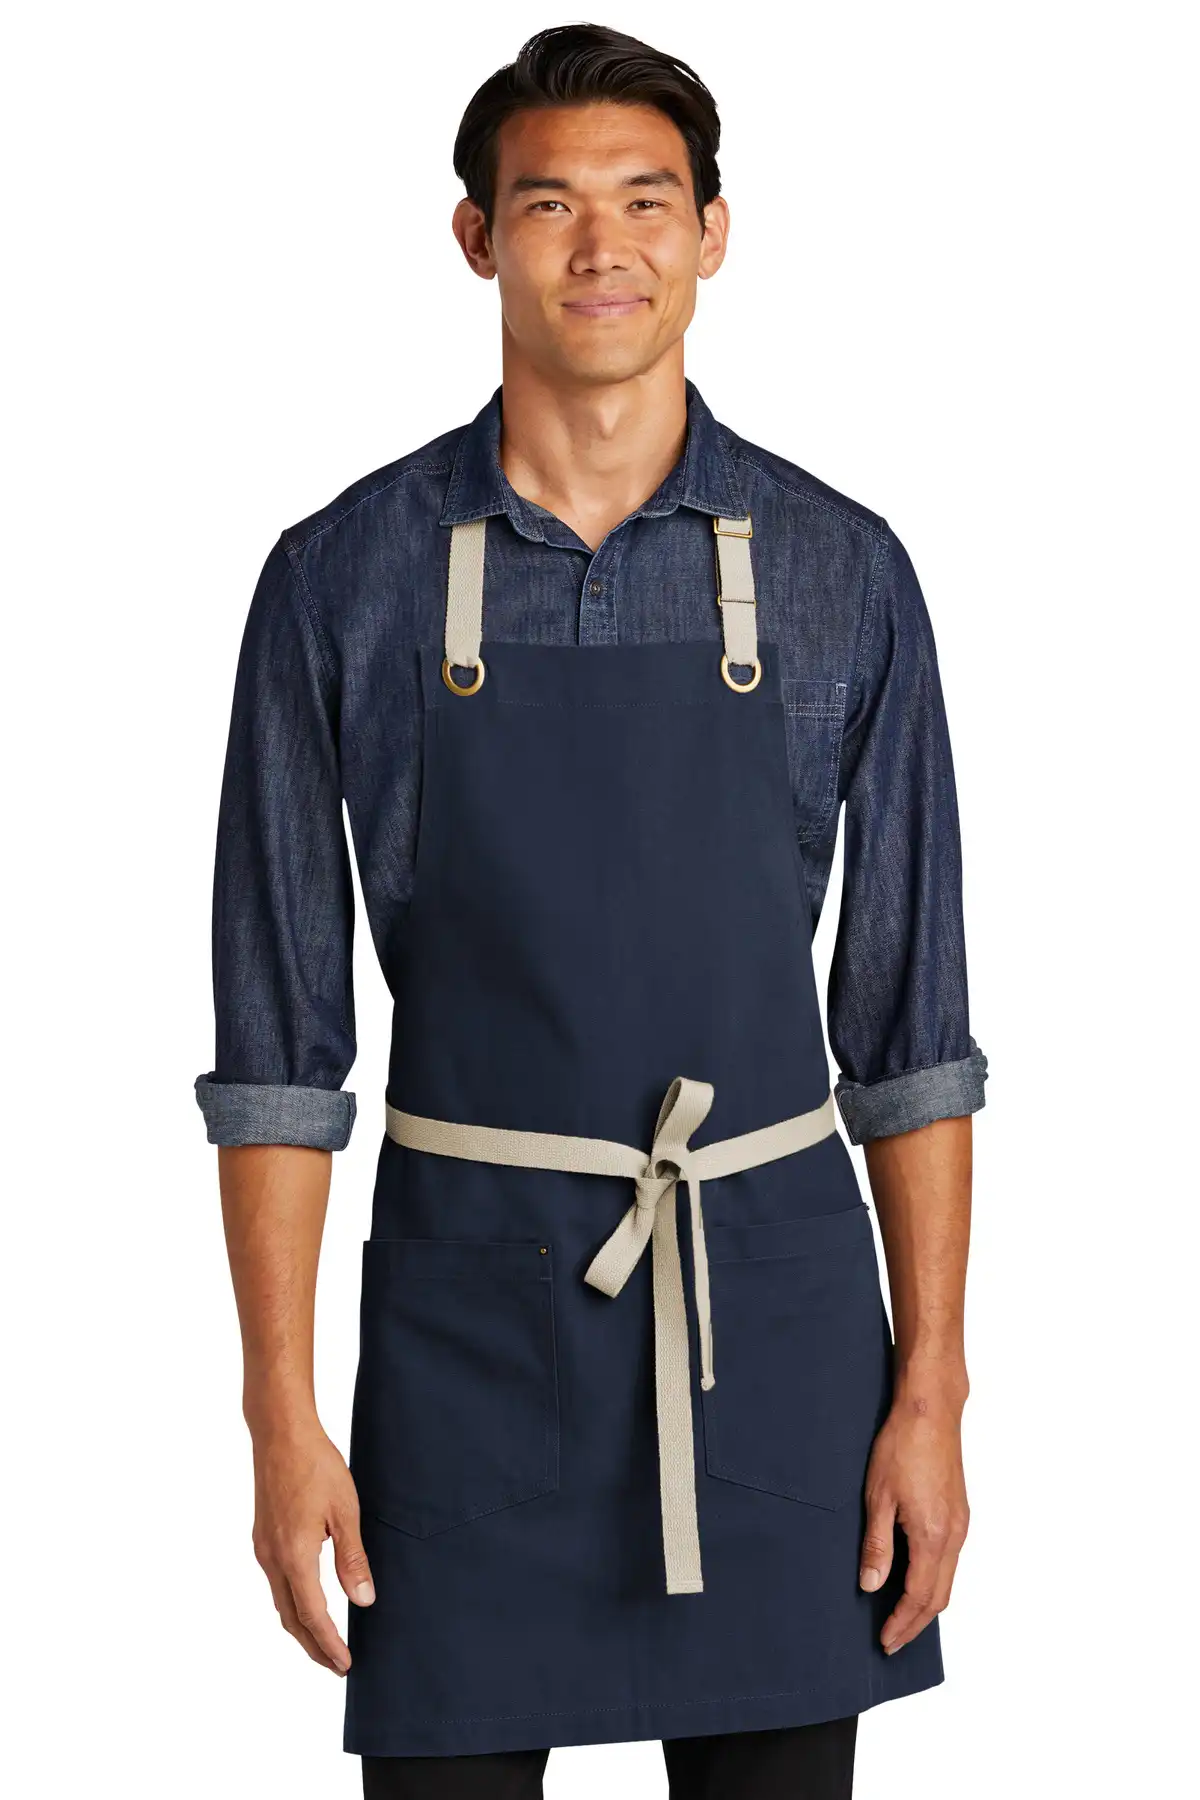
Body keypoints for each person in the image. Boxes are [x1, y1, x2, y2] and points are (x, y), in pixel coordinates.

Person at [195, 22, 987, 1799]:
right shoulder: (341, 580)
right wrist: (279, 1417)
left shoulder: (844, 571)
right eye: (551, 203)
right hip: (468, 1340)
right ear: (477, 236)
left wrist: (933, 1390)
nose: (601, 246)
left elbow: (912, 1040)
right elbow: (278, 1060)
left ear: (715, 232)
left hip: (773, 1330)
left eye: (646, 200)